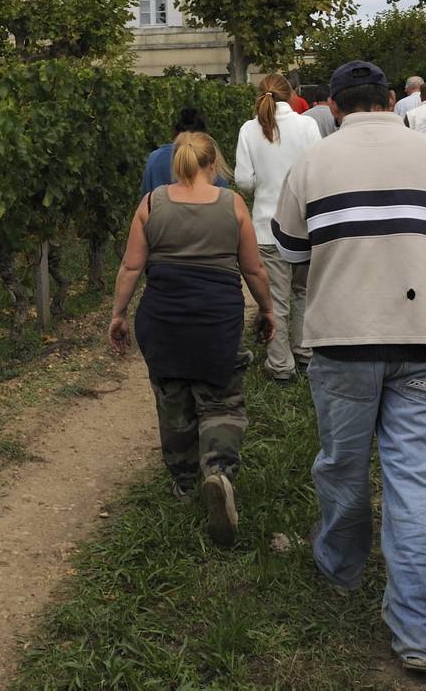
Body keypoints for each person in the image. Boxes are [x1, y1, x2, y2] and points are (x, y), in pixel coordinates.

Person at [272, 59, 426, 675]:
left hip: (343, 342)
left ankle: (341, 570)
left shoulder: (315, 161)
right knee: (420, 486)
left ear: (338, 108)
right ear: (386, 101)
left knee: (343, 467)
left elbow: (291, 250)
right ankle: (420, 636)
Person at [108, 132, 275, 544]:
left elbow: (131, 268)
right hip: (216, 319)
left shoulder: (150, 204)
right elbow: (253, 269)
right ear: (212, 163)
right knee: (221, 398)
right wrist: (268, 309)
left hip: (163, 319)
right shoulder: (232, 203)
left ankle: (183, 484)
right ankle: (217, 472)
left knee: (173, 399)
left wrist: (118, 314)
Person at [233, 73, 322, 382]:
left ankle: (279, 364)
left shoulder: (249, 129)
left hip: (266, 226)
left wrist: (266, 182)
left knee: (275, 299)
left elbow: (243, 180)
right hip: (305, 226)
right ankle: (305, 354)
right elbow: (319, 172)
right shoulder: (308, 126)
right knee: (304, 293)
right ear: (293, 94)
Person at [139, 107, 228, 197]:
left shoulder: (155, 158)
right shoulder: (211, 157)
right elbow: (222, 196)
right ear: (204, 137)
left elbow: (146, 198)